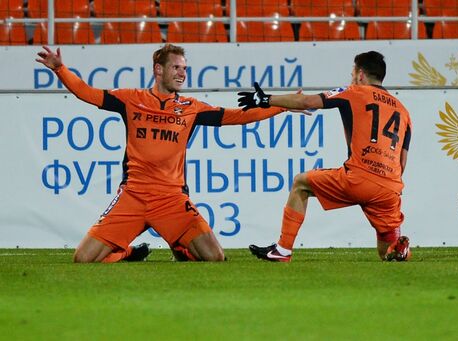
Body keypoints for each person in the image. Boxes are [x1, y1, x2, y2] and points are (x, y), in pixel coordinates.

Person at [36, 44, 293, 263]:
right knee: (82, 259)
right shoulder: (131, 99)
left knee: (215, 258)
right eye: (176, 68)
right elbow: (87, 93)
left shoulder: (191, 108)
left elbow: (235, 117)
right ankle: (125, 253)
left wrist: (282, 106)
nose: (182, 74)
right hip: (133, 196)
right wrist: (60, 68)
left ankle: (180, 246)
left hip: (171, 199)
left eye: (184, 68)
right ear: (158, 70)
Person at [238, 51, 412, 262]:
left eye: (352, 73)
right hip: (389, 189)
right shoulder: (403, 111)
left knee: (301, 183)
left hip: (357, 178)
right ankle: (400, 248)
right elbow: (402, 162)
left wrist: (266, 99)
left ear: (360, 75)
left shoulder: (353, 91)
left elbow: (307, 102)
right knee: (386, 253)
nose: (351, 78)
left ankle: (283, 250)